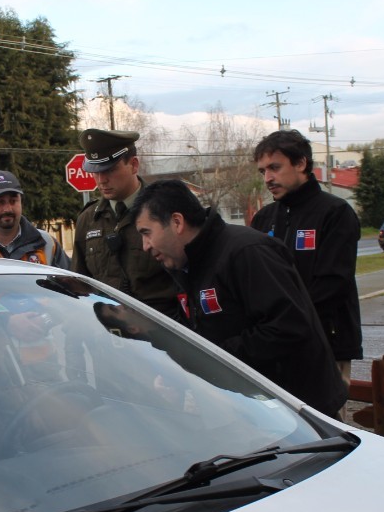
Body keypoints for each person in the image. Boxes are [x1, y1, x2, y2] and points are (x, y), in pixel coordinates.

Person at [130, 179, 347, 419]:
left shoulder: (247, 252)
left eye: (146, 233)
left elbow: (289, 327)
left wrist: (214, 359)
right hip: (252, 411)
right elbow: (203, 329)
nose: (145, 246)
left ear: (177, 222)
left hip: (300, 413)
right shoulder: (187, 266)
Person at [249, 130, 362, 416]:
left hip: (326, 341)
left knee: (325, 425)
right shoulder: (264, 219)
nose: (267, 179)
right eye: (262, 171)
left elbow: (334, 283)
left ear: (300, 164)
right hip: (275, 345)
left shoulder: (335, 212)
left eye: (275, 167)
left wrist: (285, 319)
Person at [72, 129, 180, 318]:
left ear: (134, 165)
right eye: (95, 171)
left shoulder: (165, 211)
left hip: (160, 332)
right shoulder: (88, 220)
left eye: (110, 170)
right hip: (106, 333)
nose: (101, 179)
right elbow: (80, 286)